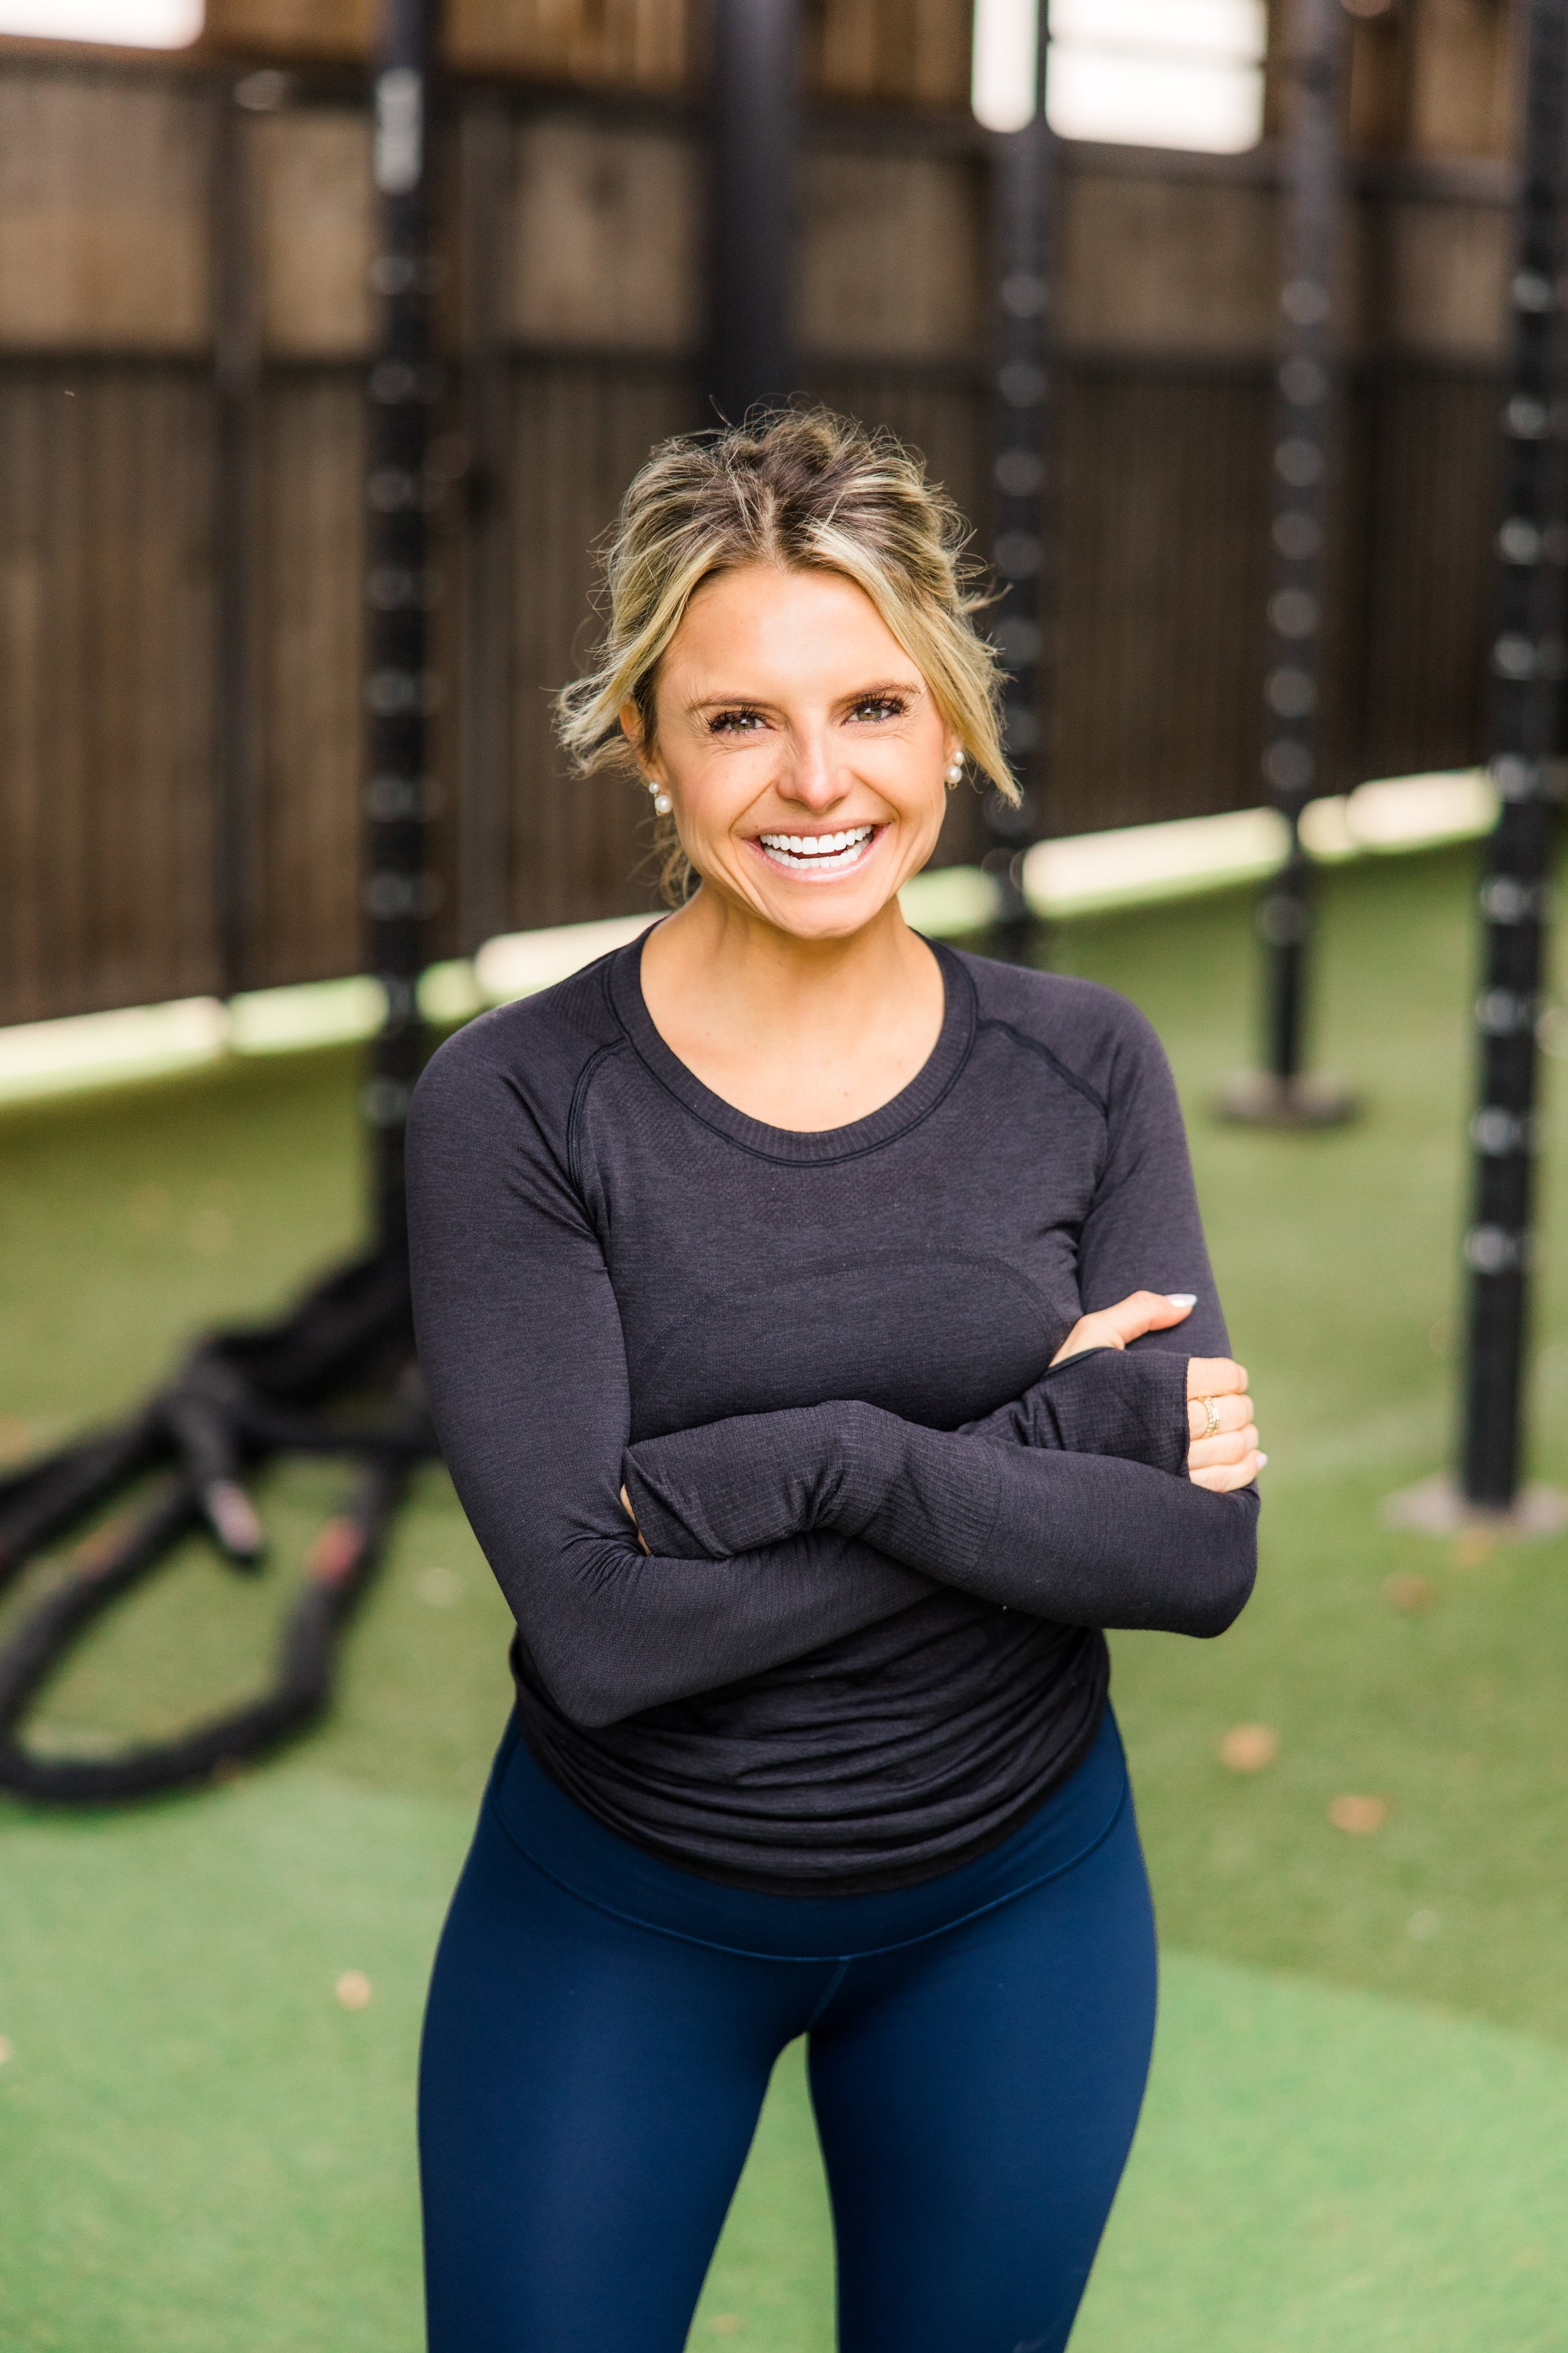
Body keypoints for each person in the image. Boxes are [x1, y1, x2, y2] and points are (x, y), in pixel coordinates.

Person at [406, 407, 1262, 2353]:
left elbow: (1198, 1559)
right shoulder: (518, 1104)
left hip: (1021, 1910)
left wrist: (814, 1466)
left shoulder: (1085, 1066)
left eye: (874, 706)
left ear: (949, 725)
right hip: (623, 1913)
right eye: (739, 720)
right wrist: (1037, 1451)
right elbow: (602, 1633)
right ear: (648, 743)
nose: (817, 780)